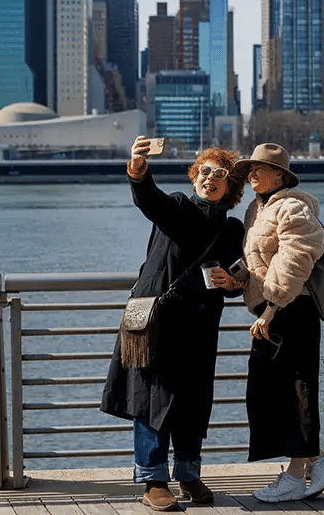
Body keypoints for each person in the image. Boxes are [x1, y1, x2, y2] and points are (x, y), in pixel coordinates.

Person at [101, 136, 247, 511]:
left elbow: (235, 279)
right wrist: (138, 170)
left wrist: (234, 283)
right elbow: (151, 201)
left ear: (230, 189)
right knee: (153, 396)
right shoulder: (180, 207)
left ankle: (187, 472)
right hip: (159, 322)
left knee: (194, 400)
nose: (211, 177)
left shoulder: (231, 230)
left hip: (200, 326)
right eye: (205, 171)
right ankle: (152, 478)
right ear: (195, 176)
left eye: (221, 175)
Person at [226, 142, 324, 502]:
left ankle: (297, 474)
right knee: (267, 392)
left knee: (296, 390)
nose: (252, 175)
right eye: (250, 170)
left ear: (280, 175)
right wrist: (238, 279)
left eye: (260, 169)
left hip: (291, 310)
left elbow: (297, 258)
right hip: (270, 312)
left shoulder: (293, 206)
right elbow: (262, 261)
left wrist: (271, 307)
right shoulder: (255, 210)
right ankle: (316, 461)